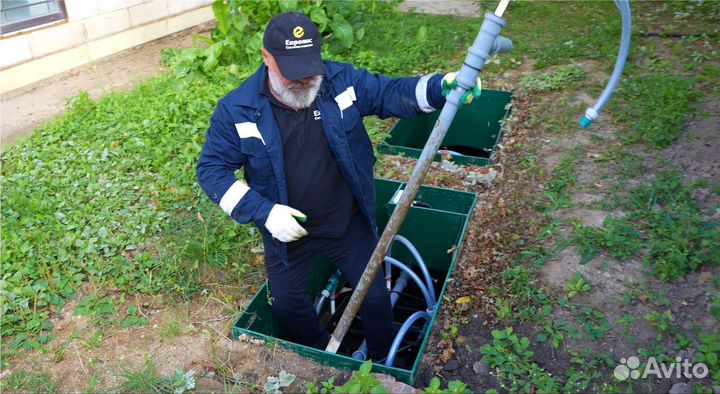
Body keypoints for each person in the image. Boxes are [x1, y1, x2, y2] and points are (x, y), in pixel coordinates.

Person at [197, 12, 476, 360]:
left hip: (346, 222)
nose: (303, 80)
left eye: (309, 68)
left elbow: (389, 93)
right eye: (291, 70)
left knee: (374, 300)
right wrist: (264, 212)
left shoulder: (341, 82)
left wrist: (439, 88)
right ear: (266, 58)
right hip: (288, 234)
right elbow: (212, 171)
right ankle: (322, 356)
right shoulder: (237, 109)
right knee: (287, 306)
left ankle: (382, 360)